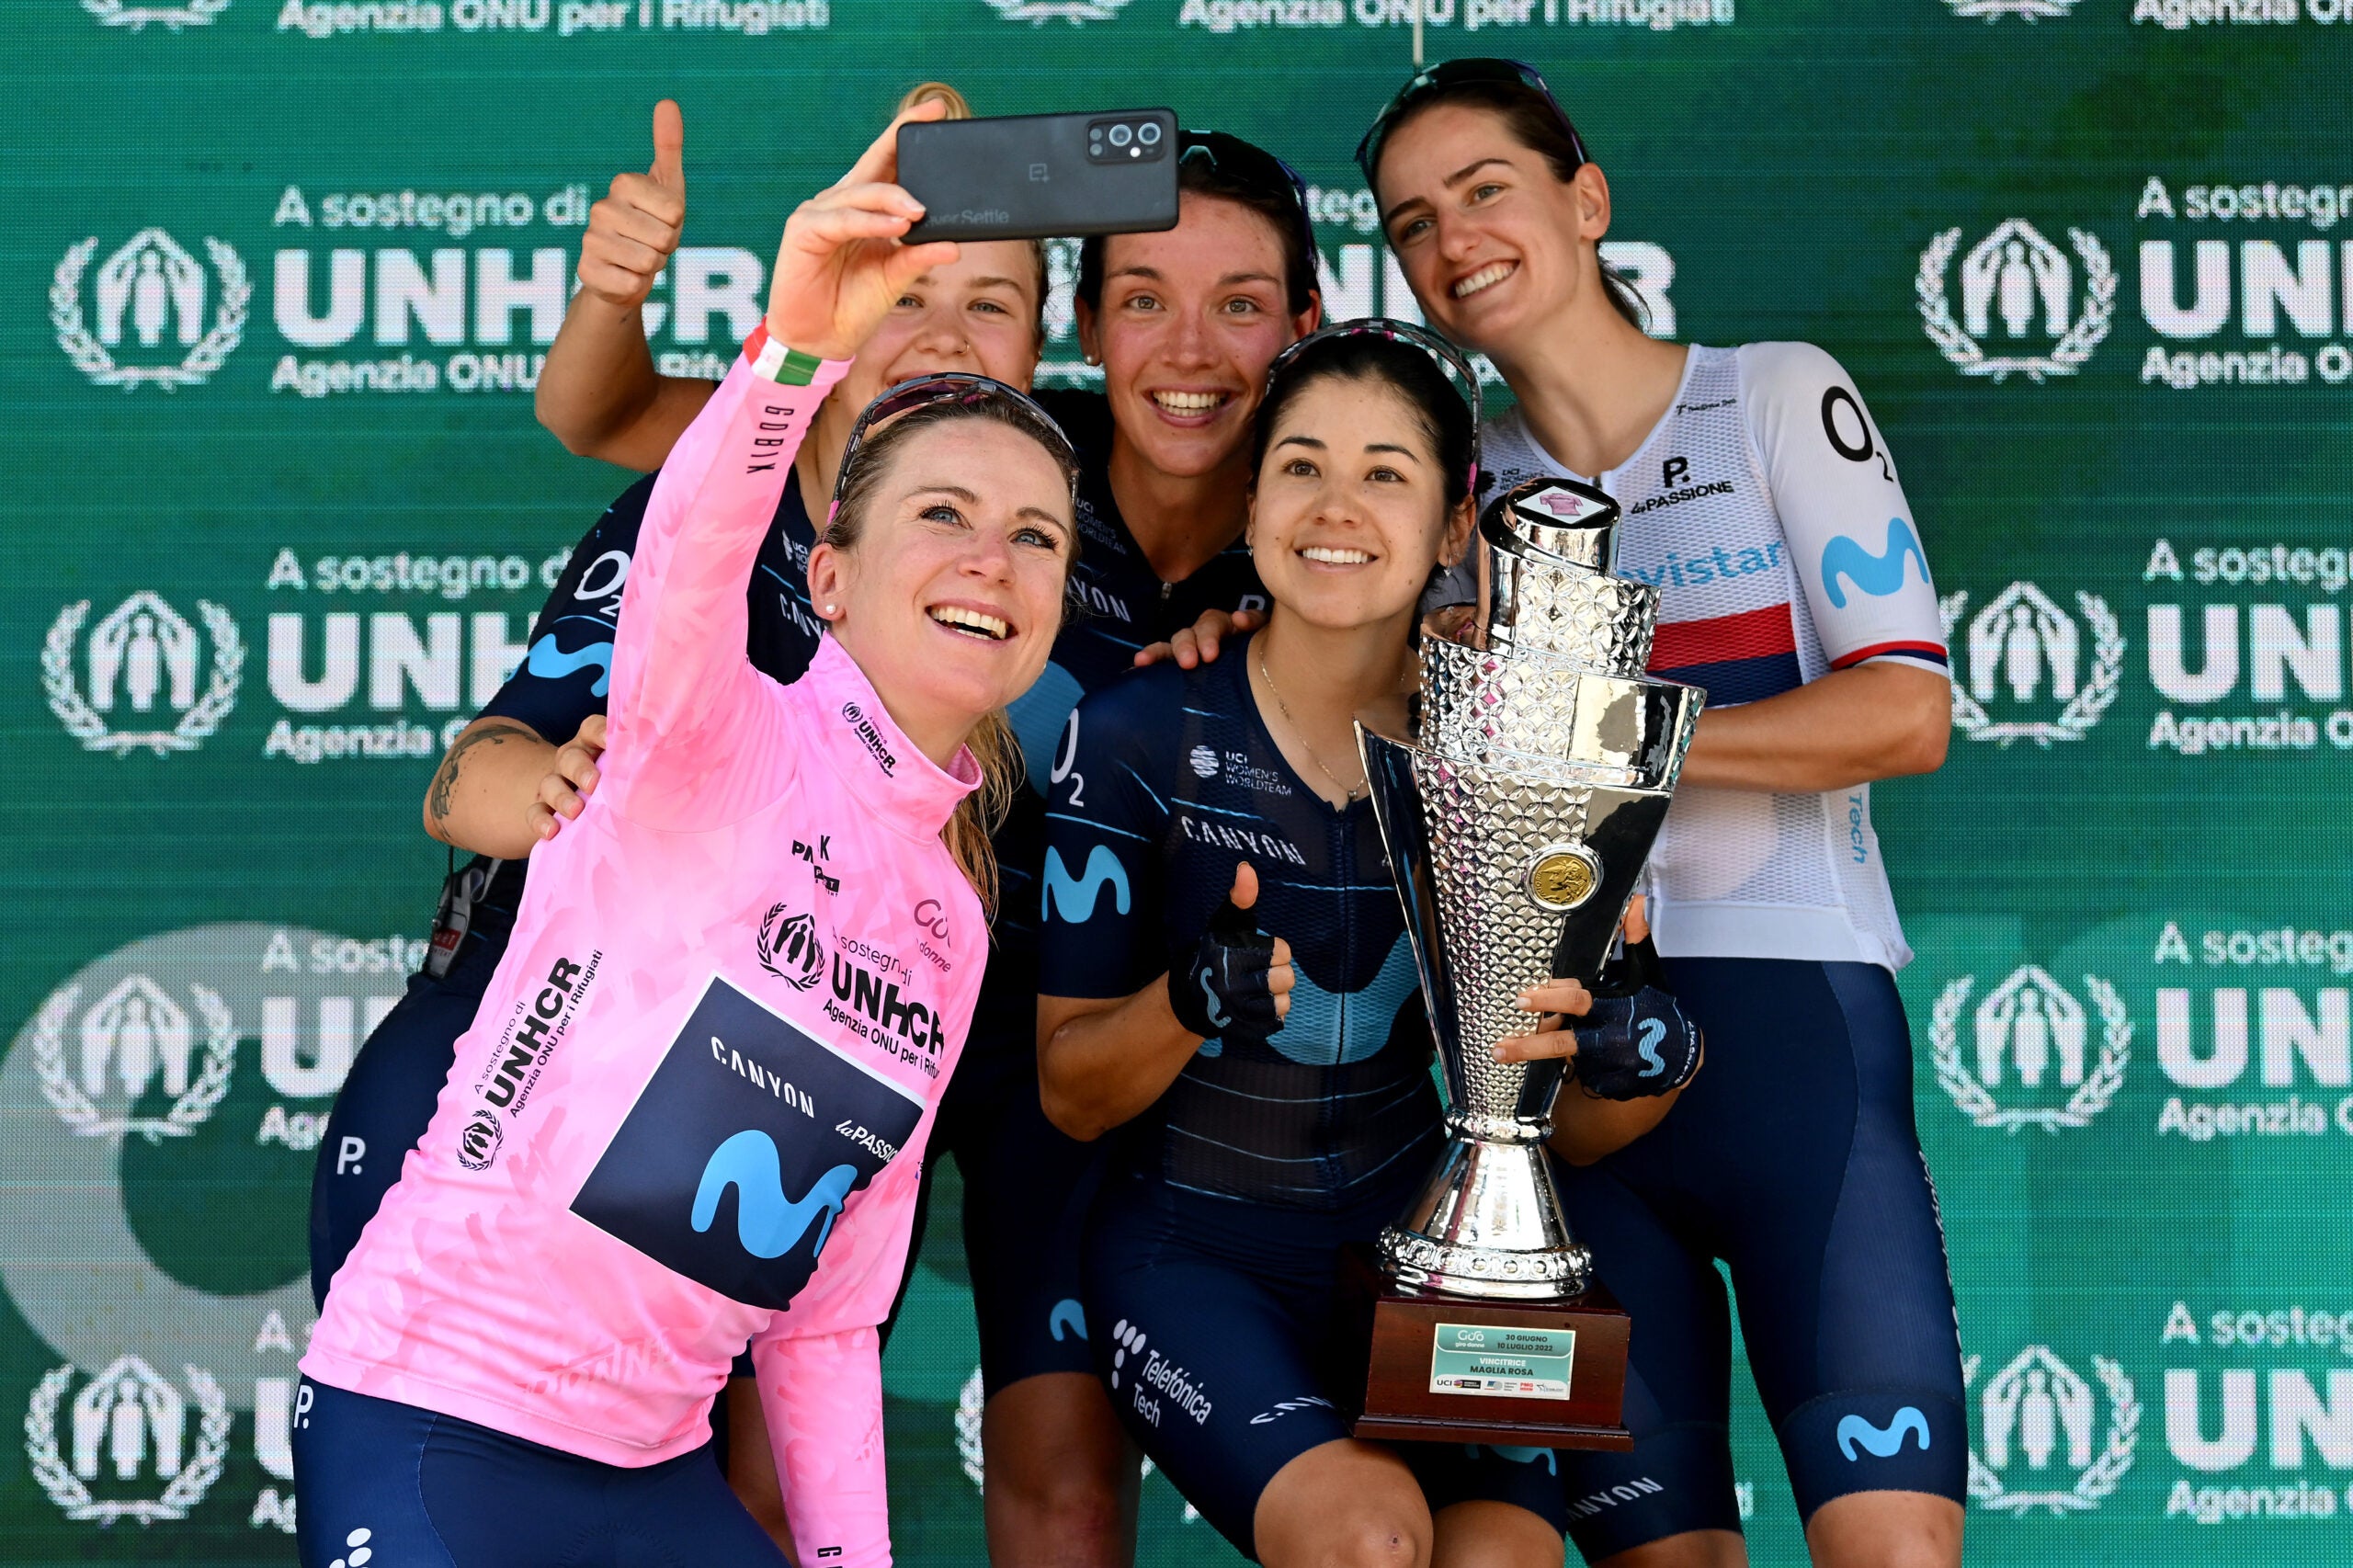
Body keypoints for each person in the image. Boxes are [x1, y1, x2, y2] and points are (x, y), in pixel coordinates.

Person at [529, 113, 1325, 1568]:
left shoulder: (1309, 510)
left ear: (1299, 325)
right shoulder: (1001, 442)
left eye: (1239, 305)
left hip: (1057, 1039)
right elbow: (616, 417)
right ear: (1087, 330)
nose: (1190, 347)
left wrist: (1290, 632)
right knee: (760, 1455)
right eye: (1144, 300)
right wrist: (612, 298)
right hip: (839, 993)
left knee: (1072, 1491)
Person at [294, 117, 1080, 1568]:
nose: (993, 558)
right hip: (438, 1421)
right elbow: (695, 546)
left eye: (1038, 536)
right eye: (948, 515)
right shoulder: (713, 720)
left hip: (649, 1475)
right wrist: (794, 340)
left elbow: (834, 1313)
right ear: (827, 573)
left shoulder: (949, 915)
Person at [1359, 59, 1961, 1568]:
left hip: (1794, 1040)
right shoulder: (1459, 488)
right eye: (1413, 221)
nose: (1454, 240)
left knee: (1895, 1551)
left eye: (1486, 189)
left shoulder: (1770, 391)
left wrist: (1603, 754)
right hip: (1565, 1072)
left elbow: (1905, 709)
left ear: (1585, 196)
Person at [1037, 323, 1700, 1568]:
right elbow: (1069, 1092)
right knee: (1368, 1542)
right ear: (1249, 499)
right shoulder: (1139, 731)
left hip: (1429, 1270)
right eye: (1301, 467)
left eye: (1386, 472)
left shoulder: (1520, 755)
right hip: (1196, 1251)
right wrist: (1188, 1000)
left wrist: (1632, 1054)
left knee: (1504, 1557)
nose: (1337, 506)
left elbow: (1581, 1131)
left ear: (1457, 525)